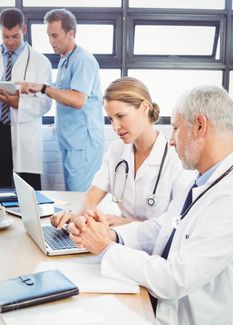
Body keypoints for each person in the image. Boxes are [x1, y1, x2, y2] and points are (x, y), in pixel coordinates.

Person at [68, 85, 233, 325]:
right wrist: (112, 235)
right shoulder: (205, 179)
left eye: (176, 128)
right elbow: (162, 227)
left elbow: (173, 279)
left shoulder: (227, 197)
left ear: (200, 126)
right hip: (158, 303)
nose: (172, 140)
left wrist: (105, 248)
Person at [51, 77, 195, 229]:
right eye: (110, 119)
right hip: (119, 239)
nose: (115, 127)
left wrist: (129, 224)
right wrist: (71, 214)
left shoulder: (176, 159)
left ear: (145, 108)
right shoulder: (116, 151)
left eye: (120, 116)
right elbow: (91, 196)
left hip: (158, 247)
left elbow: (180, 222)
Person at [20, 8, 104, 191]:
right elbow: (64, 97)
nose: (51, 41)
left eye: (55, 35)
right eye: (49, 35)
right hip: (71, 142)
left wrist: (44, 88)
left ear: (70, 33)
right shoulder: (66, 60)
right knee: (73, 197)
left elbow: (78, 100)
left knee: (80, 200)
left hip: (83, 145)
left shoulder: (83, 60)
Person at [0, 8, 52, 189]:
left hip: (24, 132)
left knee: (27, 190)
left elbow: (45, 102)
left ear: (24, 29)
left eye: (14, 36)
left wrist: (17, 103)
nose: (10, 42)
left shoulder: (40, 62)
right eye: (5, 37)